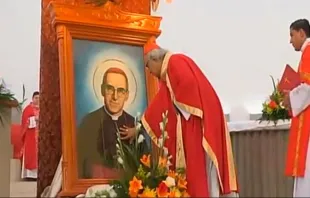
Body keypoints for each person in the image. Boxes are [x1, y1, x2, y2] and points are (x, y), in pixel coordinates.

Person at [139, 39, 238, 197]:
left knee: (203, 170)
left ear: (155, 59)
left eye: (147, 65)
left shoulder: (175, 61)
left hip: (198, 123)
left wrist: (176, 106)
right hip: (195, 120)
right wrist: (140, 125)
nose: (148, 71)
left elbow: (189, 84)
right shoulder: (167, 75)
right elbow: (160, 103)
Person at [77, 67, 148, 179]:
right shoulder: (88, 123)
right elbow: (81, 165)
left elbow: (144, 166)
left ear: (127, 95)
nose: (115, 97)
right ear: (102, 90)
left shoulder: (135, 126)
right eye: (110, 89)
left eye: (120, 91)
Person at [284, 19, 310, 197]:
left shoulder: (309, 52)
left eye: (292, 35)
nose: (290, 40)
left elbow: (308, 87)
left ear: (302, 33)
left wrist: (289, 97)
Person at [21, 91, 40, 180]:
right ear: (32, 98)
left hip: (40, 135)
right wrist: (34, 119)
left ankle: (38, 175)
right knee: (31, 153)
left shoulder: (43, 108)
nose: (37, 100)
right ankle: (29, 175)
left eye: (39, 98)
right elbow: (25, 121)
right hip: (30, 135)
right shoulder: (28, 109)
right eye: (36, 98)